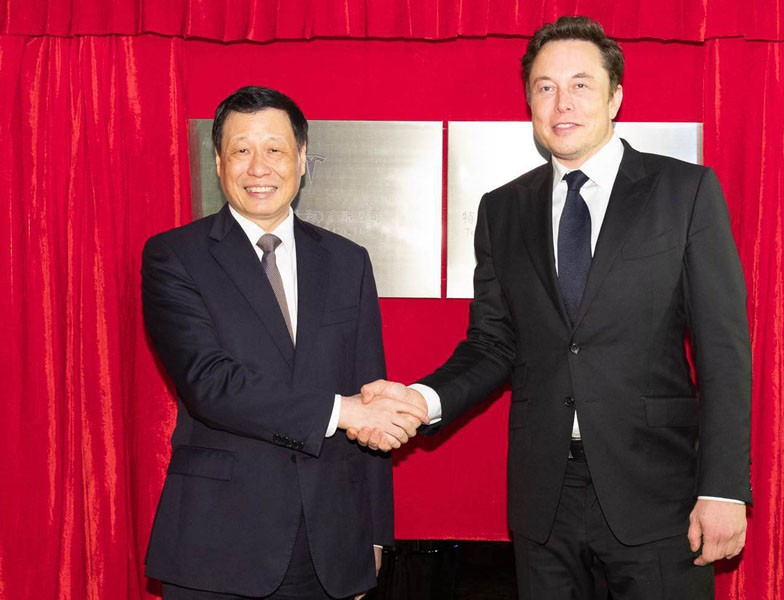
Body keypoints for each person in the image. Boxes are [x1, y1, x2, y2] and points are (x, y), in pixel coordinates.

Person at [351, 16, 752, 600]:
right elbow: (492, 343)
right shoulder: (503, 209)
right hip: (544, 501)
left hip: (657, 495)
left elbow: (723, 351)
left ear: (616, 95)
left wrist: (723, 489)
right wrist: (423, 398)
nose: (561, 102)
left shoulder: (684, 192)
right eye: (544, 87)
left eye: (581, 84)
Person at [142, 86, 427, 599]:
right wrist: (341, 412)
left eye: (274, 149)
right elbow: (210, 384)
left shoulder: (347, 261)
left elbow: (371, 391)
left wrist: (376, 533)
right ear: (218, 161)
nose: (259, 168)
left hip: (329, 544)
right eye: (241, 150)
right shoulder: (175, 257)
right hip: (218, 544)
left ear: (300, 159)